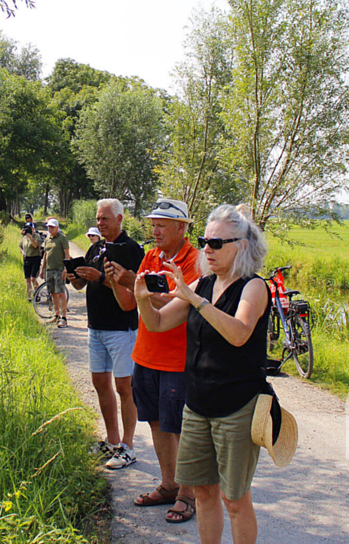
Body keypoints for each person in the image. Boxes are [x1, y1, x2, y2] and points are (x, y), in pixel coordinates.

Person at [133, 203, 270, 544]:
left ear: (243, 245)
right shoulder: (204, 284)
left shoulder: (253, 287)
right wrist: (142, 299)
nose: (206, 249)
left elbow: (239, 333)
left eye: (216, 243)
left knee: (235, 499)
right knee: (204, 493)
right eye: (203, 240)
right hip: (197, 406)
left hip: (237, 407)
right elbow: (159, 323)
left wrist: (194, 299)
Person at [107, 198, 199, 523]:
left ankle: (189, 495)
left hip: (178, 360)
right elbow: (131, 304)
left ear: (181, 227)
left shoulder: (194, 262)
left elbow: (184, 303)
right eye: (153, 223)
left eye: (162, 224)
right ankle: (170, 484)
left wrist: (146, 288)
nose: (155, 230)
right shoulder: (151, 256)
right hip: (145, 355)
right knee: (158, 423)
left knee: (183, 428)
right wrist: (119, 282)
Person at [70, 198, 145, 469]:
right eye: (98, 219)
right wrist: (77, 277)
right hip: (96, 327)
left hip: (121, 328)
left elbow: (137, 289)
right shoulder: (96, 247)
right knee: (100, 383)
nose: (100, 223)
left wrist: (99, 277)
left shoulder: (130, 249)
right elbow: (83, 285)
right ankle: (112, 441)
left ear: (119, 219)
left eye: (105, 219)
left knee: (124, 387)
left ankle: (128, 445)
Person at [39, 218, 71, 326]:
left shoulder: (62, 238)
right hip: (49, 269)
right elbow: (45, 254)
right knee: (53, 292)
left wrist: (66, 269)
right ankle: (56, 315)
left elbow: (67, 254)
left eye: (52, 227)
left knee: (61, 293)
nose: (50, 229)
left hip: (59, 269)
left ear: (57, 227)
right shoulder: (47, 239)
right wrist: (43, 269)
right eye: (49, 227)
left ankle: (64, 317)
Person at [19, 223, 42, 300]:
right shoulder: (24, 237)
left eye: (29, 228)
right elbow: (20, 245)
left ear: (33, 229)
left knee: (33, 278)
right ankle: (29, 296)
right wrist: (22, 252)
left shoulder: (37, 236)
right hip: (27, 259)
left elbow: (36, 246)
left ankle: (37, 294)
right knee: (28, 279)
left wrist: (31, 238)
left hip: (35, 258)